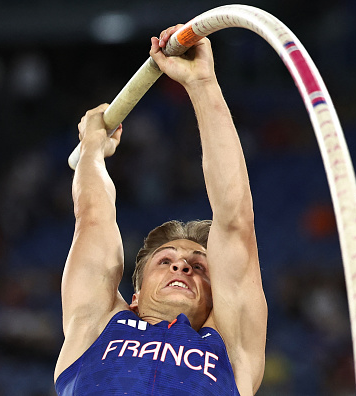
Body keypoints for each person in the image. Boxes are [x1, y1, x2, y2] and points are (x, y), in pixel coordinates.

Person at [54, 24, 267, 396]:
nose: (181, 266)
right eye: (165, 260)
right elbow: (92, 217)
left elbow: (235, 222)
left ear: (219, 300)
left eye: (198, 267)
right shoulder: (96, 327)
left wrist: (202, 85)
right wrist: (91, 149)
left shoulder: (231, 353)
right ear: (133, 298)